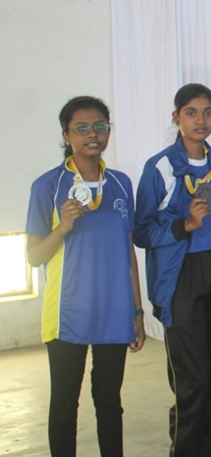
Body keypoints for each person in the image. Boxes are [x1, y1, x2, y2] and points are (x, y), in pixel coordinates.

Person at [25, 96, 145, 456]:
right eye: (81, 128)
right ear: (66, 135)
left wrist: (137, 312)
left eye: (100, 126)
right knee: (64, 403)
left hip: (114, 311)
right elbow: (34, 256)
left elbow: (128, 252)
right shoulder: (48, 186)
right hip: (68, 312)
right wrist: (63, 226)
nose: (92, 134)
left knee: (109, 401)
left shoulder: (121, 184)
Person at [134, 83, 211, 457]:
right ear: (176, 117)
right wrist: (184, 226)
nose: (201, 120)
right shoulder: (160, 167)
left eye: (209, 112)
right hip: (181, 276)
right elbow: (142, 232)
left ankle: (204, 449)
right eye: (191, 112)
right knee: (191, 379)